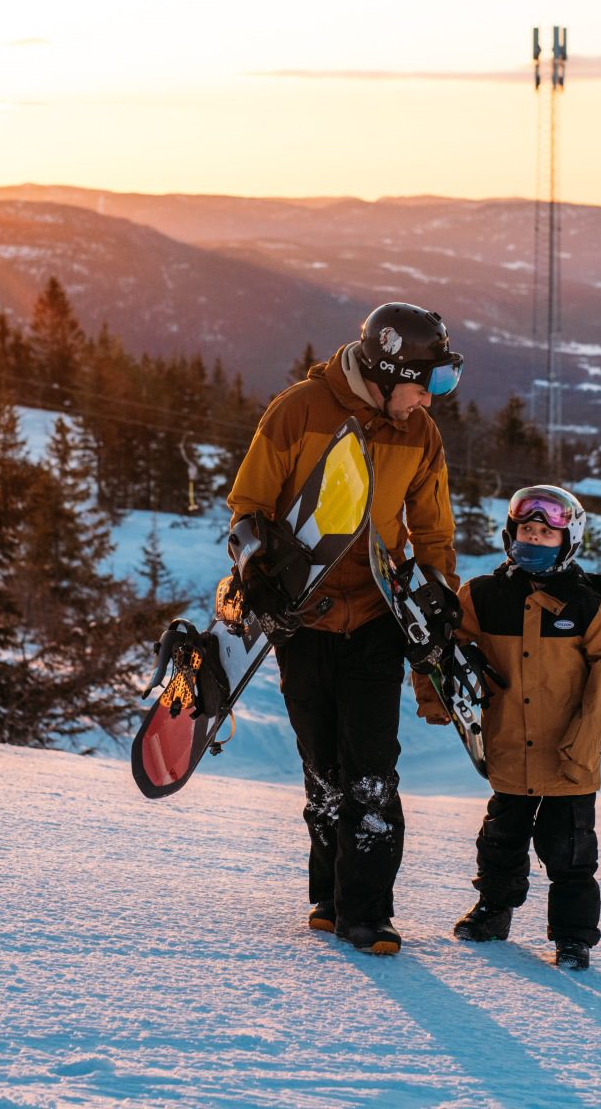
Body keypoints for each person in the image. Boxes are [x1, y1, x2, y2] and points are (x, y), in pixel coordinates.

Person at [226, 303, 462, 956]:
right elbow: (247, 509)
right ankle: (329, 897)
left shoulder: (419, 434)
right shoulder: (298, 412)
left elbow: (434, 532)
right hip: (303, 619)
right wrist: (255, 568)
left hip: (376, 621)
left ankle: (369, 912)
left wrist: (439, 599)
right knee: (323, 768)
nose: (429, 400)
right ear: (387, 371)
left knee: (371, 773)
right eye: (427, 384)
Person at [420, 484, 601, 969]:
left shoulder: (584, 603)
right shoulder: (484, 595)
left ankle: (573, 937)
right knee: (500, 839)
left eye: (544, 535)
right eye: (525, 532)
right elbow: (444, 650)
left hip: (568, 754)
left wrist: (586, 738)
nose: (532, 541)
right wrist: (435, 700)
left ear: (568, 542)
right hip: (508, 745)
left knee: (571, 851)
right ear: (510, 537)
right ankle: (494, 910)